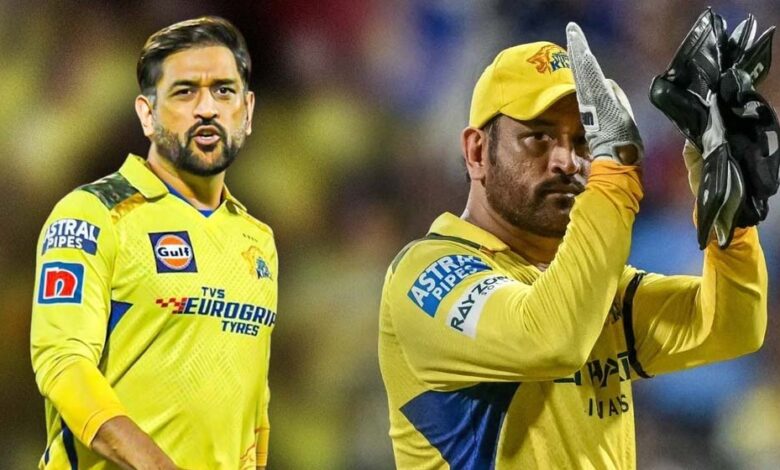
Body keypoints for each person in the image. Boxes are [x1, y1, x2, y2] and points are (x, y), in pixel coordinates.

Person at [378, 23, 768, 469]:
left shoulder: (588, 288)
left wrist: (731, 222)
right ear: (477, 152)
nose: (568, 160)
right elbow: (549, 339)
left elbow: (731, 327)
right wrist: (617, 173)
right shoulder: (425, 275)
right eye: (539, 137)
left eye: (584, 141)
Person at [31, 17, 276, 469]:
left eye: (224, 91)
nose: (207, 108)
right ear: (147, 113)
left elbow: (253, 402)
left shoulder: (256, 240)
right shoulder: (93, 214)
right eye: (185, 92)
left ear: (248, 110)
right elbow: (62, 361)